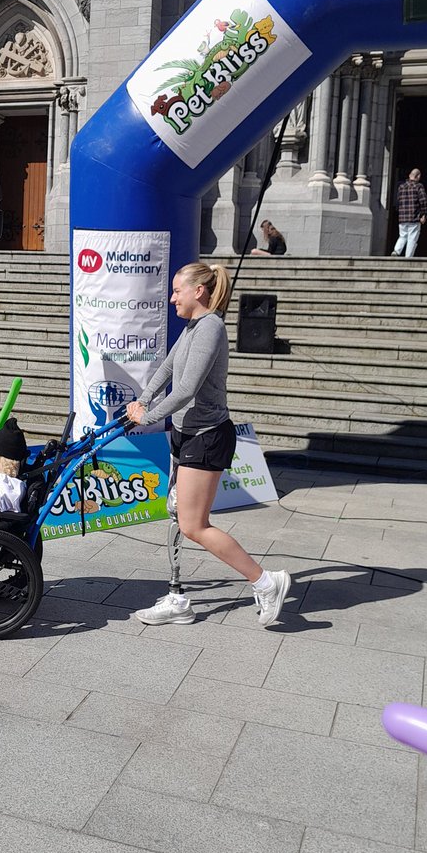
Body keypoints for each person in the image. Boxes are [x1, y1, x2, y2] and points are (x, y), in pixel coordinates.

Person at [125, 261, 291, 628]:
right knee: (177, 515)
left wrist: (148, 418)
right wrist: (143, 399)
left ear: (198, 291)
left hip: (207, 437)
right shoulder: (193, 327)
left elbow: (187, 389)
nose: (172, 298)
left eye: (177, 291)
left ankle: (267, 582)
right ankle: (176, 598)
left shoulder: (211, 327)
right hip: (186, 434)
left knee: (194, 525)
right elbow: (168, 368)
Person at [391, 168, 427, 257]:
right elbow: (423, 201)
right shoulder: (419, 186)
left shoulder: (401, 187)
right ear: (418, 176)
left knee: (402, 235)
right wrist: (423, 214)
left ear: (409, 175)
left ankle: (396, 251)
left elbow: (398, 201)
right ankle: (408, 257)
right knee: (412, 238)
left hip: (402, 217)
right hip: (414, 217)